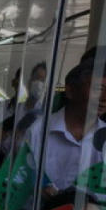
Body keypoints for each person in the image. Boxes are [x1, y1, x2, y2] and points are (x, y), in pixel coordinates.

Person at [27, 57, 106, 193]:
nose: (104, 98)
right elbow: (20, 182)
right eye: (99, 89)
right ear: (70, 91)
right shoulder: (38, 131)